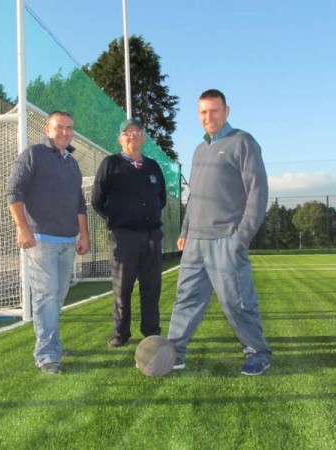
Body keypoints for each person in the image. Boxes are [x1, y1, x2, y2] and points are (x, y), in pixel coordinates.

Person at [168, 89, 272, 376]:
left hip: (226, 238)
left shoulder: (243, 142)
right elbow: (196, 196)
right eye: (203, 112)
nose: (208, 117)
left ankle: (258, 353)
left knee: (237, 302)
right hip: (195, 243)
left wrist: (242, 236)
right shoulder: (200, 149)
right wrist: (186, 230)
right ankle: (173, 352)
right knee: (186, 300)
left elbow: (258, 192)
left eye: (214, 110)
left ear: (227, 111)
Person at [6, 110, 89, 375]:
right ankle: (47, 355)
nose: (65, 132)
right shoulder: (33, 154)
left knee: (58, 295)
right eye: (59, 127)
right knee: (46, 295)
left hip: (67, 241)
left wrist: (83, 234)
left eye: (69, 128)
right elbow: (13, 191)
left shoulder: (72, 163)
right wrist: (22, 228)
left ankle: (53, 344)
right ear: (47, 129)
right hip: (41, 240)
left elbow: (79, 202)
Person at [92, 119, 166, 347]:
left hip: (152, 237)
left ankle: (151, 331)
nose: (132, 136)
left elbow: (160, 199)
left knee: (152, 288)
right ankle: (120, 333)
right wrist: (118, 221)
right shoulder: (110, 164)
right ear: (120, 139)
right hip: (124, 239)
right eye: (127, 133)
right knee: (122, 289)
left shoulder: (153, 166)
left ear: (144, 138)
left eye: (137, 132)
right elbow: (97, 200)